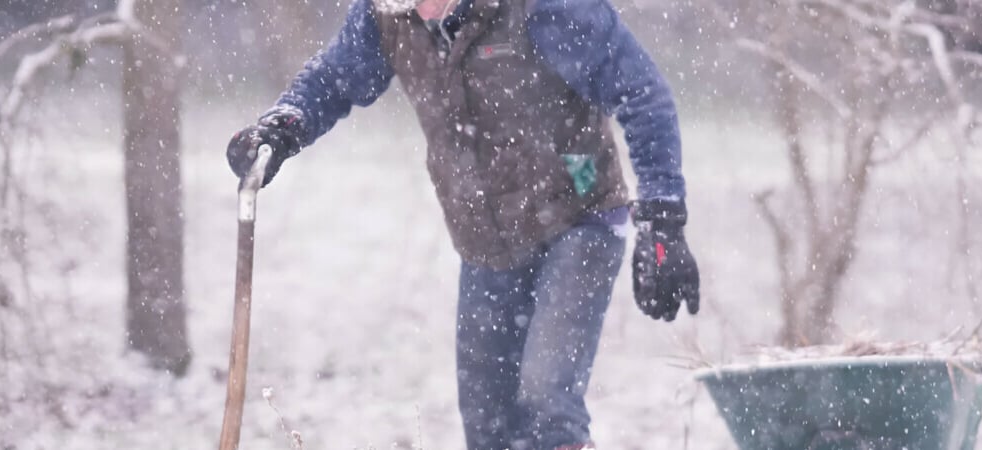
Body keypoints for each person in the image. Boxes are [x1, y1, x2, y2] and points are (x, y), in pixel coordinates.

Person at [226, 0, 699, 447]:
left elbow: (641, 92)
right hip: (487, 241)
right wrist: (283, 127)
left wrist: (662, 217)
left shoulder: (543, 8)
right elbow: (334, 79)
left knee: (546, 398)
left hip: (581, 213)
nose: (419, 7)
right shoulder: (388, 15)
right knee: (488, 425)